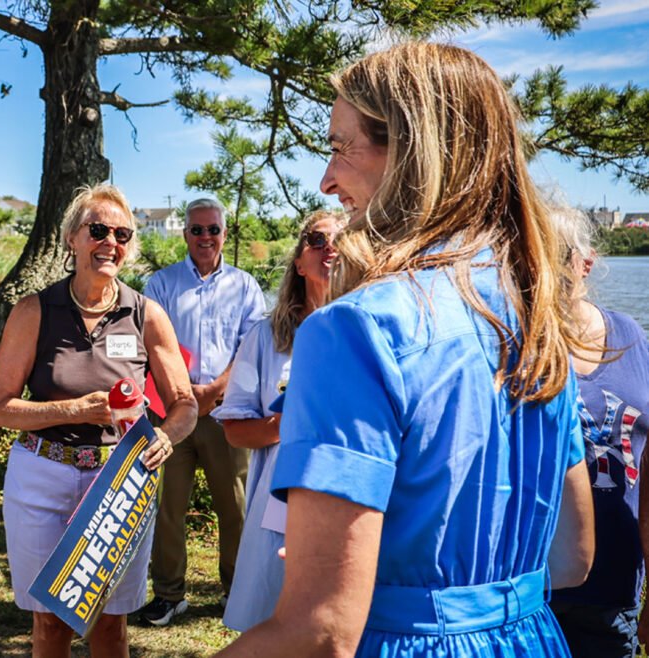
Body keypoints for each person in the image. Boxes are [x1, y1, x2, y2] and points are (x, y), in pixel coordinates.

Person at [217, 42, 594, 656]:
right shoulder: (534, 322)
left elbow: (321, 632)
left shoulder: (354, 330)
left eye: (341, 146)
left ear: (413, 153)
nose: (327, 179)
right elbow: (573, 556)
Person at [0, 183, 198, 657]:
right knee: (49, 624)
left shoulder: (146, 314)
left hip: (119, 480)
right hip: (42, 475)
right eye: (98, 229)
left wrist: (165, 436)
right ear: (72, 239)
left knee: (110, 626)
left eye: (122, 234)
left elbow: (185, 403)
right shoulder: (34, 310)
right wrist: (74, 410)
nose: (111, 242)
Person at [214, 210, 345, 631]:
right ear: (299, 261)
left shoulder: (373, 333)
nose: (329, 249)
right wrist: (284, 424)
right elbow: (234, 430)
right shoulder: (264, 338)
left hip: (353, 498)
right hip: (279, 506)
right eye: (317, 240)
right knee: (276, 626)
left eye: (339, 240)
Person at [138, 197, 266, 626]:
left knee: (235, 510)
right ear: (185, 234)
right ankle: (170, 595)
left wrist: (212, 391)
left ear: (224, 233)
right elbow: (150, 346)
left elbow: (251, 348)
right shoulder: (160, 284)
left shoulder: (246, 287)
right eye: (197, 230)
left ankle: (236, 592)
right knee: (167, 508)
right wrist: (183, 397)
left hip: (227, 416)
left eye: (213, 229)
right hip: (172, 416)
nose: (205, 237)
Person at [549, 207, 649, 658]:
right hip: (531, 595)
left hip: (614, 594)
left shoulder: (632, 339)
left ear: (584, 263)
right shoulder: (509, 343)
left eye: (553, 254)